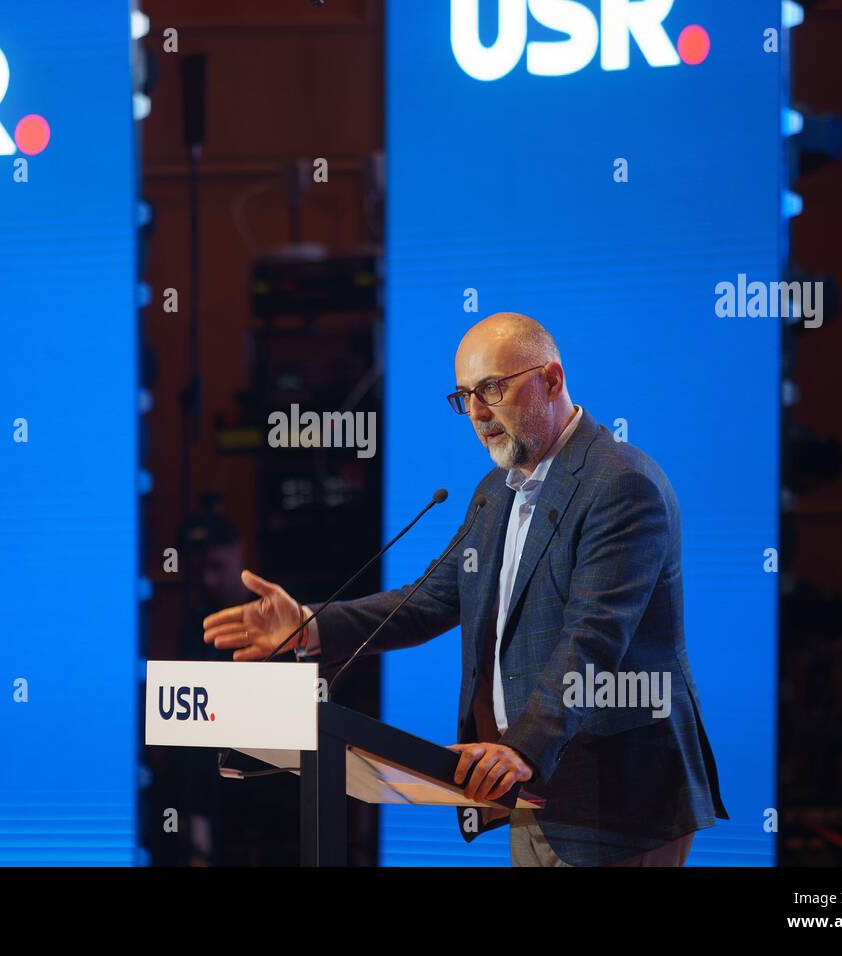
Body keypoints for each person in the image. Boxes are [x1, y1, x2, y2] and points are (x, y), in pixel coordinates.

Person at [202, 312, 727, 866]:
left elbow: (594, 637)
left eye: (493, 389)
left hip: (616, 795)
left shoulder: (620, 484)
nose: (477, 412)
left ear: (551, 379)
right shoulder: (496, 493)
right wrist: (311, 626)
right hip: (530, 788)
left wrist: (521, 747)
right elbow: (428, 599)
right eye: (465, 396)